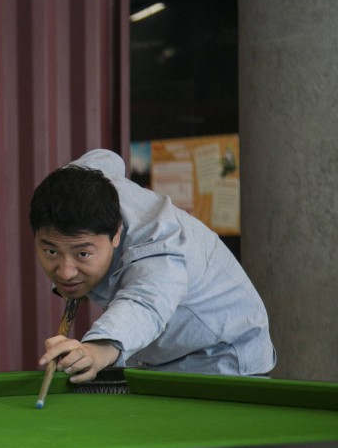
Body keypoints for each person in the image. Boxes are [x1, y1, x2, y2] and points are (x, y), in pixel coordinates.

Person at [30, 149, 276, 383]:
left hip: (222, 357)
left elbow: (144, 304)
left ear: (116, 234)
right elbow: (105, 159)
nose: (65, 271)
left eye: (82, 254)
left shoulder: (157, 248)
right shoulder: (83, 184)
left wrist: (97, 351)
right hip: (161, 357)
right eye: (51, 251)